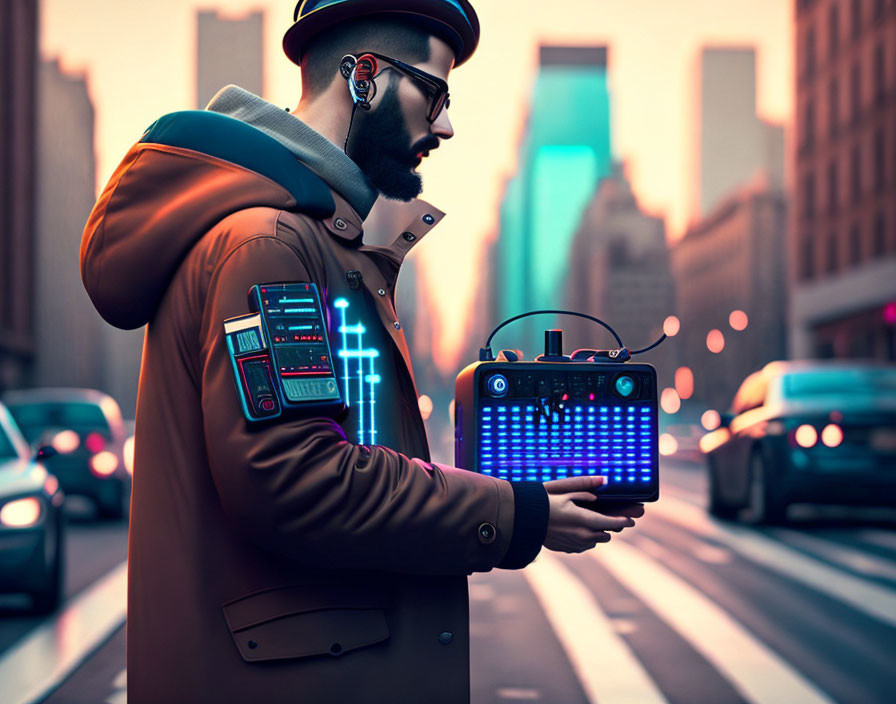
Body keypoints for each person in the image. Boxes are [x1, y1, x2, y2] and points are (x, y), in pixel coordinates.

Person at [80, 1, 644, 702]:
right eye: (433, 94)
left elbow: (345, 450)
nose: (445, 125)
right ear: (365, 77)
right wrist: (517, 513)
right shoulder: (270, 245)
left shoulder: (317, 242)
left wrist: (521, 489)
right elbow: (294, 479)